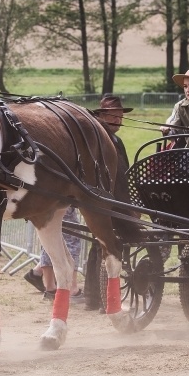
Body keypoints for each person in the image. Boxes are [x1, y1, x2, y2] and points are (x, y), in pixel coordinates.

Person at [83, 94, 133, 312]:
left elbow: (124, 173)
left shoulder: (117, 141)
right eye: (112, 116)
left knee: (98, 245)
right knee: (104, 246)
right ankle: (100, 299)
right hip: (103, 199)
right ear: (101, 116)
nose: (117, 120)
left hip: (114, 199)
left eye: (120, 116)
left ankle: (93, 298)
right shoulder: (99, 139)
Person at [23, 205, 84, 302]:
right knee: (71, 238)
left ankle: (50, 289)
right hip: (57, 197)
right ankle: (72, 289)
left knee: (49, 239)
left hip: (43, 201)